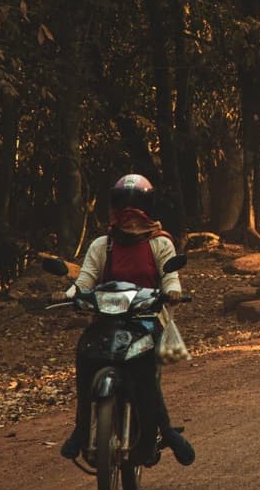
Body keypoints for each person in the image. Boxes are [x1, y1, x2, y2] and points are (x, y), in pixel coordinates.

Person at [60, 174, 195, 464]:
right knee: (85, 357)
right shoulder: (101, 245)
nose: (130, 212)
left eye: (137, 205)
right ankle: (82, 429)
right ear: (113, 208)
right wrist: (70, 293)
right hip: (106, 321)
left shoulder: (161, 243)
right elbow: (85, 279)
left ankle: (164, 430)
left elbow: (170, 277)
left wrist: (172, 293)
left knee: (146, 375)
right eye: (123, 204)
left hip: (146, 320)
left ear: (149, 207)